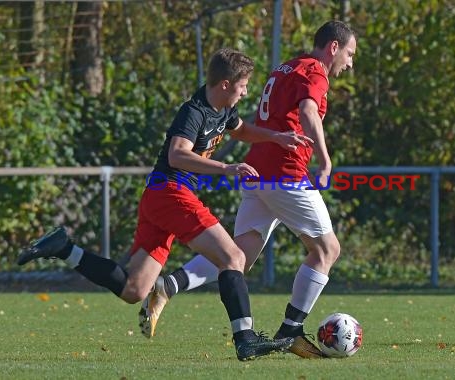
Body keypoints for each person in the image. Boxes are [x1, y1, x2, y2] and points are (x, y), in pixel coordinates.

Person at [16, 47, 315, 361]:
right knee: (233, 257)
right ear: (226, 84)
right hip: (170, 191)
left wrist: (276, 137)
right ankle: (246, 338)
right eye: (242, 85)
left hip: (159, 198)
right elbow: (177, 154)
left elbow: (241, 130)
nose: (245, 91)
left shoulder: (223, 110)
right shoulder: (195, 111)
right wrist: (226, 168)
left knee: (134, 290)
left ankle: (63, 247)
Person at [139, 21, 357, 359]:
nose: (350, 62)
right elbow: (308, 110)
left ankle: (170, 285)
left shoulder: (289, 65)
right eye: (349, 53)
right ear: (333, 47)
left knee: (239, 257)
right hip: (285, 174)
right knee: (328, 250)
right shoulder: (316, 71)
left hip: (258, 172)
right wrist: (325, 160)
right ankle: (292, 330)